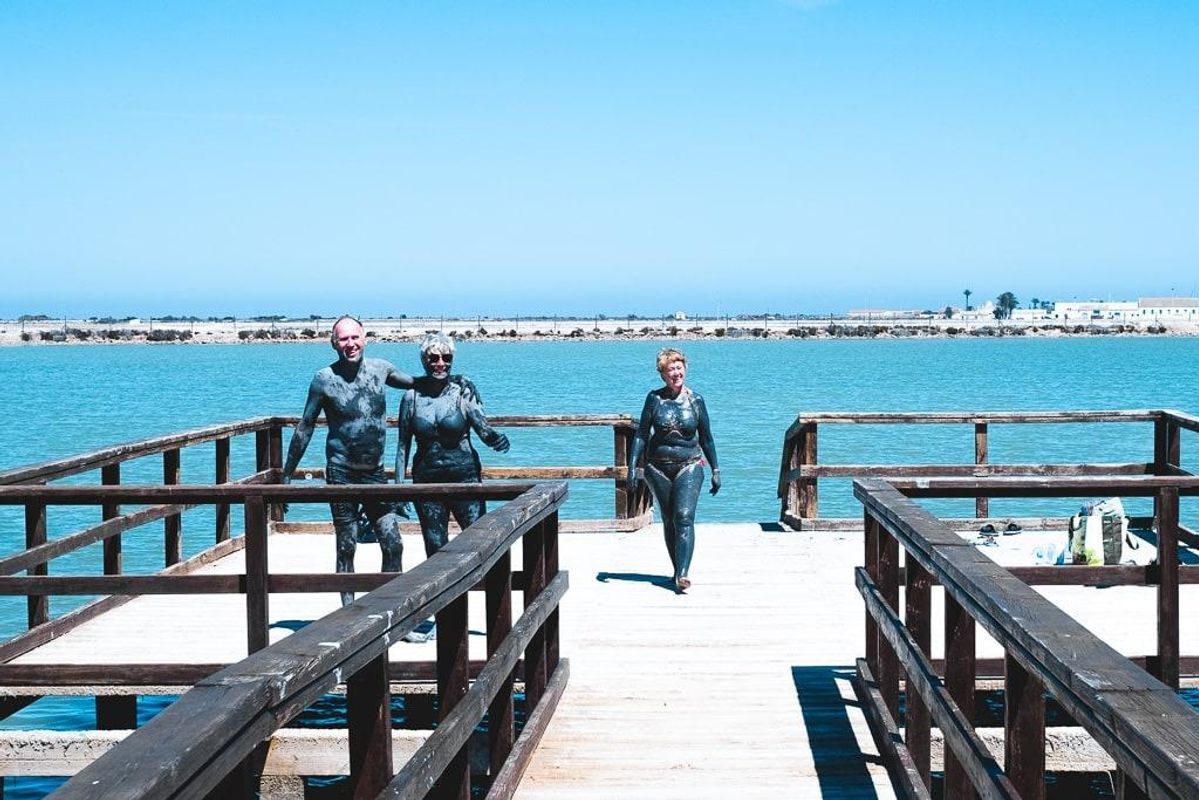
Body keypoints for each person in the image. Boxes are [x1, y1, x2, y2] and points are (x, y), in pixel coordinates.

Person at [281, 316, 470, 607]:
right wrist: (286, 476)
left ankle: (387, 611)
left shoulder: (380, 370)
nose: (350, 344)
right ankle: (347, 616)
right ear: (334, 343)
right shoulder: (324, 379)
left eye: (355, 337)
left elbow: (421, 383)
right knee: (347, 545)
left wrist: (459, 381)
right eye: (343, 339)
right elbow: (305, 427)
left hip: (375, 474)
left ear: (365, 339)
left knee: (393, 544)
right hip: (341, 473)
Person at [396, 334, 510, 558]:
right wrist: (399, 489)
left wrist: (497, 439)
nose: (441, 363)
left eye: (446, 358)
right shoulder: (411, 398)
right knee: (435, 546)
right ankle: (449, 594)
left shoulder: (464, 392)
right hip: (426, 480)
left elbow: (483, 429)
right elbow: (402, 445)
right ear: (424, 361)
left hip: (464, 476)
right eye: (434, 358)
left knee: (478, 542)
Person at [627, 347, 720, 593]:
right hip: (657, 467)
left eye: (679, 368)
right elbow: (641, 435)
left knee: (684, 517)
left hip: (689, 464)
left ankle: (683, 573)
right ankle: (676, 569)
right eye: (671, 370)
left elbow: (707, 438)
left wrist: (716, 470)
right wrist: (631, 468)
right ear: (663, 375)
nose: (676, 373)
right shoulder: (654, 399)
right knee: (669, 520)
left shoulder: (696, 400)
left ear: (685, 369)